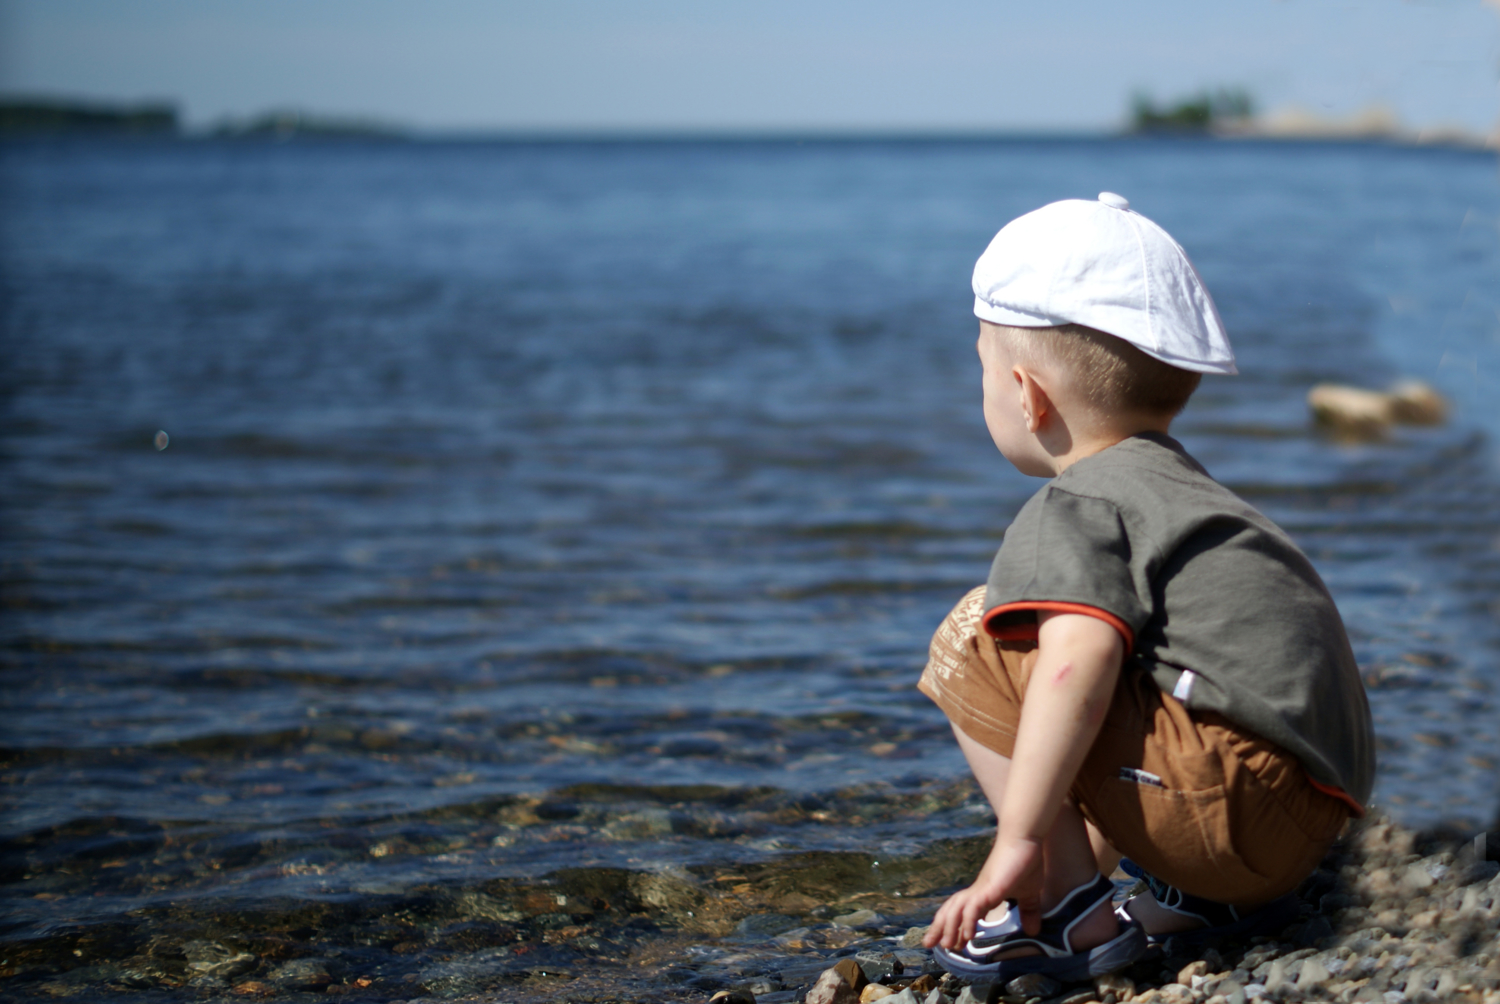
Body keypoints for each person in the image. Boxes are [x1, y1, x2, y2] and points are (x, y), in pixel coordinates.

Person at [918, 193, 1375, 984]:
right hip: (1308, 820)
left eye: (983, 368)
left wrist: (1021, 840)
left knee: (977, 633)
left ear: (1028, 394)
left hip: (1229, 812)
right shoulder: (1186, 492)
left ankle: (1067, 911)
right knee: (1136, 659)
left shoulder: (1078, 501)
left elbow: (1076, 664)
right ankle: (1174, 893)